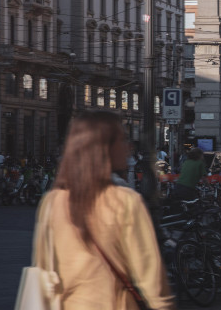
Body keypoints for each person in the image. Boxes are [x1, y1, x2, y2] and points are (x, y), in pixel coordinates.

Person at [32, 111, 175, 309]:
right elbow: (151, 277)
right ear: (104, 148)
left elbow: (44, 270)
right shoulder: (125, 201)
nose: (128, 148)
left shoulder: (52, 201)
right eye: (122, 140)